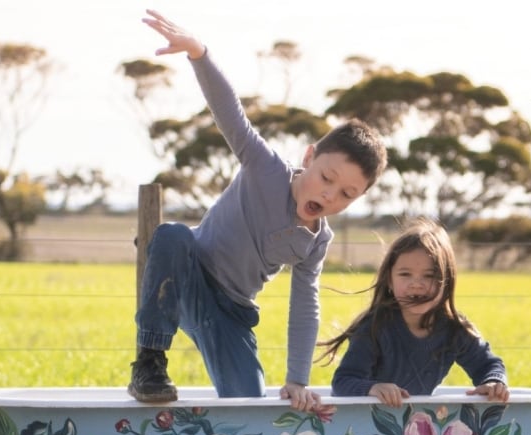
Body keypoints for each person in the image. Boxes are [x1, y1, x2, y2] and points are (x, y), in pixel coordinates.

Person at [131, 10, 388, 411]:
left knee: (249, 405)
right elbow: (231, 116)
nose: (330, 195)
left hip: (232, 314)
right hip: (190, 277)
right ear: (309, 157)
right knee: (172, 235)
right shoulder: (265, 168)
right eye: (327, 177)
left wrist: (298, 379)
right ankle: (149, 363)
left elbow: (305, 305)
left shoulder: (316, 241)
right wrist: (199, 54)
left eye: (346, 194)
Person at [320, 218, 508, 408]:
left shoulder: (454, 330)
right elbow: (342, 383)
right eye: (405, 274)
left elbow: (488, 365)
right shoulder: (374, 328)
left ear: (446, 281)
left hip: (418, 420)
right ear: (389, 280)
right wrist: (372, 388)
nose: (416, 284)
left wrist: (493, 382)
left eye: (429, 275)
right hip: (367, 419)